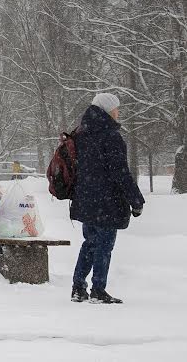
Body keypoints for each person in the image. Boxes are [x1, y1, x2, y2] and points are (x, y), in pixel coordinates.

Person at [69, 92, 145, 304]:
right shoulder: (110, 136)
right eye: (116, 109)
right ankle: (98, 290)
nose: (118, 112)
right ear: (108, 111)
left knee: (90, 243)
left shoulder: (81, 133)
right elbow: (120, 172)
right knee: (104, 246)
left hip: (85, 199)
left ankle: (78, 287)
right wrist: (136, 200)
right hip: (107, 201)